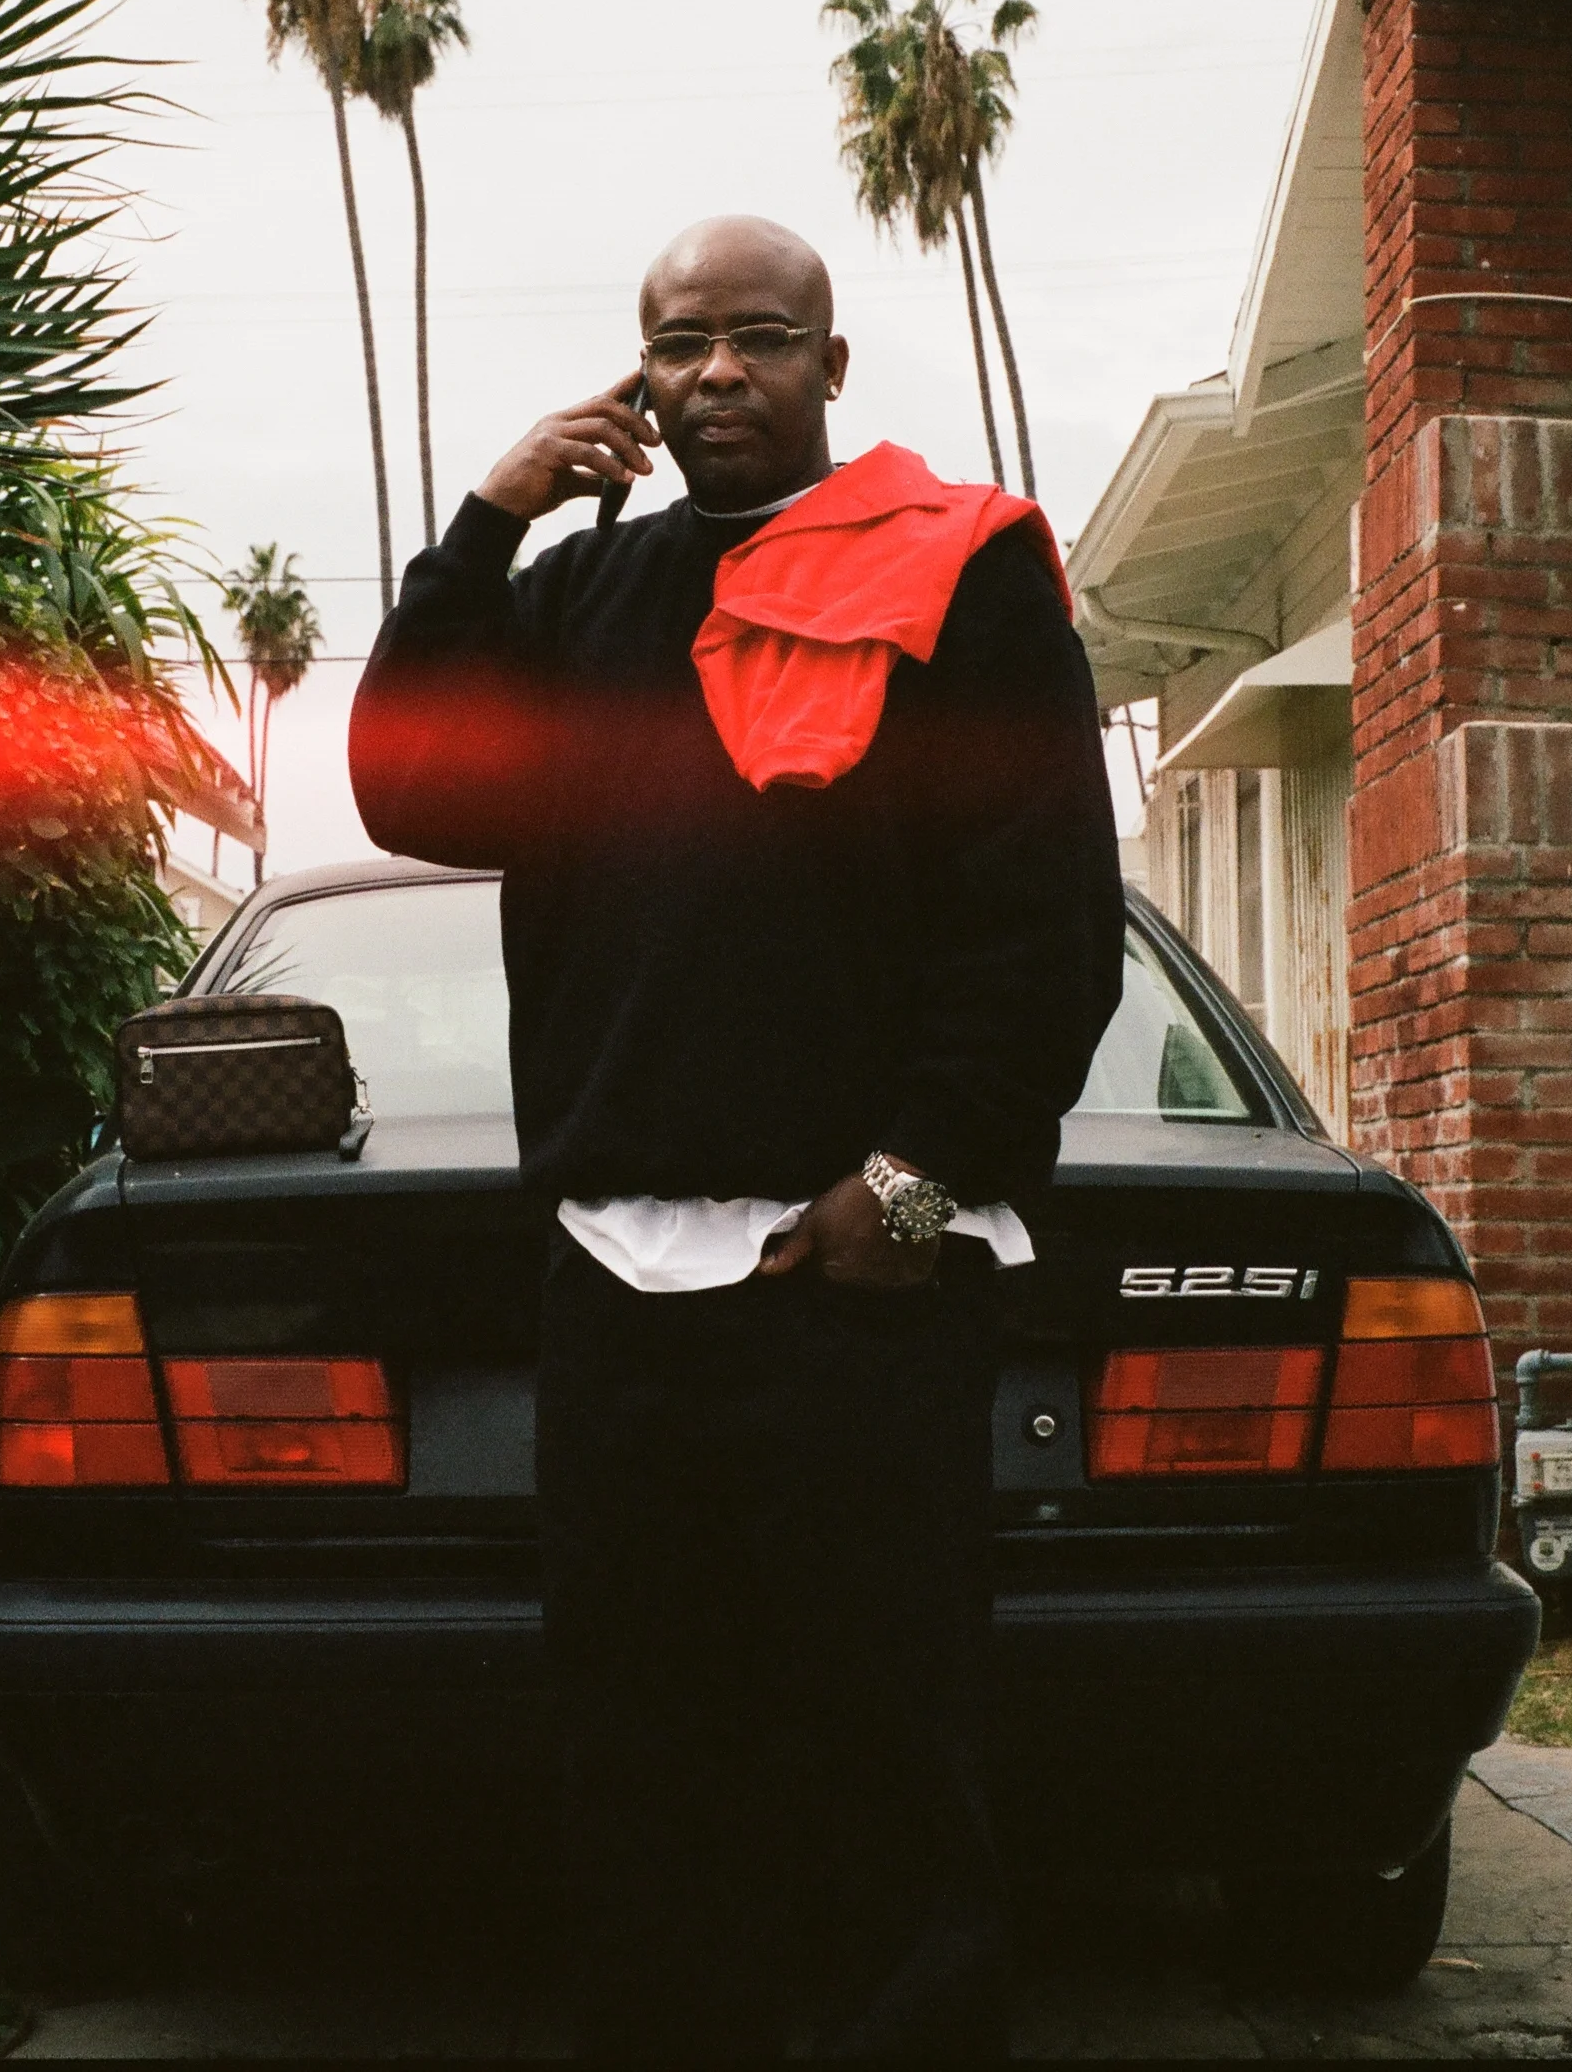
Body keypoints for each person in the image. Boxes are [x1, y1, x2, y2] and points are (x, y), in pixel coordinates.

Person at [349, 214, 1124, 2062]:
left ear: (829, 366)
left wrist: (912, 1184)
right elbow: (408, 781)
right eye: (676, 342)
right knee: (642, 1744)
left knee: (877, 1741)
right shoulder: (577, 602)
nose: (714, 373)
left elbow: (1043, 924)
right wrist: (488, 516)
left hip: (855, 1280)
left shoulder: (965, 581)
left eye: (758, 338)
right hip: (621, 1278)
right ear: (637, 373)